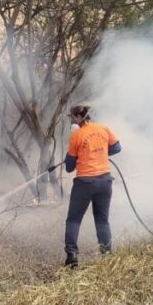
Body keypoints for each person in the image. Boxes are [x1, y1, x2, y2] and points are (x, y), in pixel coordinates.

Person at [63, 105, 121, 268]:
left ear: (78, 118)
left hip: (85, 183)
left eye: (72, 118)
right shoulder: (104, 128)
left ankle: (72, 257)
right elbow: (117, 147)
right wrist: (99, 152)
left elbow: (69, 167)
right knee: (103, 221)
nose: (72, 120)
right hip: (104, 182)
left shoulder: (77, 135)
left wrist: (78, 154)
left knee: (73, 220)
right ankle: (107, 256)